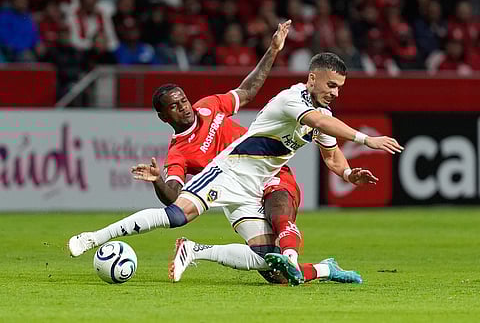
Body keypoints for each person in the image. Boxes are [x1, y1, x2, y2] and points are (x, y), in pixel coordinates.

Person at [69, 50, 403, 284]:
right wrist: (365, 139)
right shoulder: (292, 100)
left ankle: (199, 251)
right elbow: (172, 194)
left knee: (268, 264)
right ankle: (92, 237)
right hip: (229, 172)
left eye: (339, 88)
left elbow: (330, 154)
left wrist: (347, 173)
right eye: (331, 85)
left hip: (258, 184)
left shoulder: (211, 106)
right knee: (176, 216)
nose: (335, 93)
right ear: (313, 78)